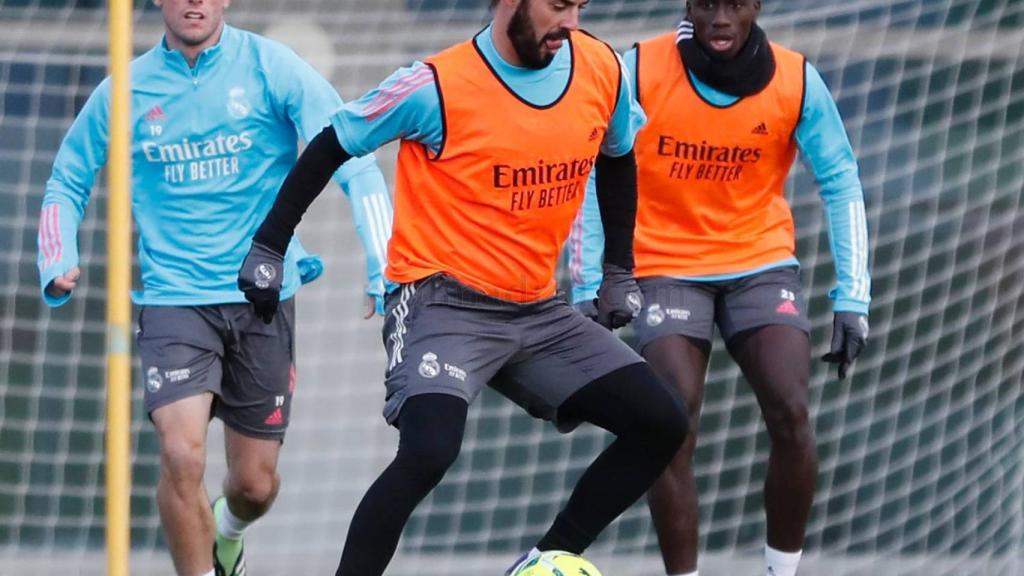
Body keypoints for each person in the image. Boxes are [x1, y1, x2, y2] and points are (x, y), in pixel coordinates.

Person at [236, 1, 691, 574]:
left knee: (662, 421)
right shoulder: (435, 85)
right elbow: (333, 143)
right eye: (557, 5)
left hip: (537, 311)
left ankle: (545, 562)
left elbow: (619, 155)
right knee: (430, 451)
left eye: (579, 6)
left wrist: (619, 270)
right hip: (440, 304)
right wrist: (269, 246)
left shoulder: (600, 67)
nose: (570, 22)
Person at [36, 0, 392, 574]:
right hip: (174, 301)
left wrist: (383, 263)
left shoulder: (272, 67)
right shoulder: (125, 90)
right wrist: (57, 254)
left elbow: (353, 155)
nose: (195, 1)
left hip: (260, 298)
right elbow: (66, 179)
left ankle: (229, 532)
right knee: (180, 455)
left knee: (254, 485)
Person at [573, 1, 871, 575]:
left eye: (735, 4)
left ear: (756, 6)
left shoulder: (795, 80)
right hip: (663, 265)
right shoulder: (636, 70)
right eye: (707, 3)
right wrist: (596, 280)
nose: (721, 19)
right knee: (670, 420)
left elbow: (841, 181)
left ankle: (781, 571)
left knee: (791, 409)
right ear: (689, 5)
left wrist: (852, 297)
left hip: (759, 264)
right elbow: (591, 168)